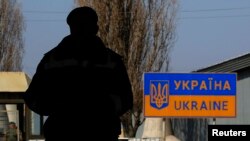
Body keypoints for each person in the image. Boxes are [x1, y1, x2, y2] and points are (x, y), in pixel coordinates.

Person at [24, 6, 133, 141]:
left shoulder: (52, 60)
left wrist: (57, 109)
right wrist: (104, 110)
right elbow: (126, 99)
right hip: (101, 132)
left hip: (62, 132)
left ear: (71, 27)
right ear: (95, 28)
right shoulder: (111, 60)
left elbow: (32, 97)